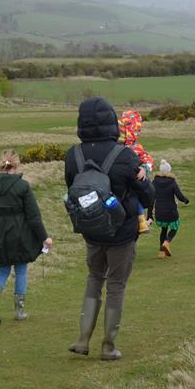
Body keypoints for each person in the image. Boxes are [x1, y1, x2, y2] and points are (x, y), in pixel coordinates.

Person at [65, 97, 154, 361]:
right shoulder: (125, 154)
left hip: (91, 230)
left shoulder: (74, 155)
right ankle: (108, 346)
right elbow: (147, 196)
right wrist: (144, 181)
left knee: (94, 277)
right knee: (116, 284)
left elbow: (73, 188)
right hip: (122, 232)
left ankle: (83, 339)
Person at [0, 150, 52, 324]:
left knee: (2, 268)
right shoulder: (22, 186)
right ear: (16, 166)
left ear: (1, 165)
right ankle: (19, 311)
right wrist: (44, 238)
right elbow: (33, 217)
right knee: (21, 269)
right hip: (19, 232)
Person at [118, 109, 154, 233]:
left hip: (132, 183)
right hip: (117, 184)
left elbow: (148, 160)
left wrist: (144, 169)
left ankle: (141, 221)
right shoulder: (115, 147)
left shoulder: (136, 148)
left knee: (134, 198)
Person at [148, 160, 189, 259]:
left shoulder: (154, 182)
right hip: (171, 211)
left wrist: (149, 214)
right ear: (169, 171)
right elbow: (179, 196)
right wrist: (186, 200)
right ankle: (167, 242)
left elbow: (151, 199)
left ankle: (161, 252)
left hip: (159, 211)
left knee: (163, 229)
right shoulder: (172, 182)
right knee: (174, 227)